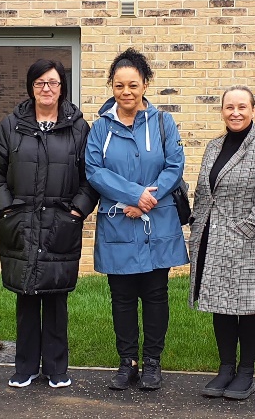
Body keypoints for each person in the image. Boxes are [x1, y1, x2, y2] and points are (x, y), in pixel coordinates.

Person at [0, 59, 98, 389]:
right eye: (39, 83)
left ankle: (56, 367)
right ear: (30, 87)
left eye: (52, 83)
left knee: (55, 298)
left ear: (62, 87)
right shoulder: (11, 126)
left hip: (60, 224)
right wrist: (5, 211)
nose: (46, 89)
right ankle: (25, 367)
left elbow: (91, 177)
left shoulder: (78, 128)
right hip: (21, 224)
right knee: (25, 297)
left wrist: (77, 211)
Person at [85, 47, 189, 391]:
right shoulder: (101, 128)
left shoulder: (163, 122)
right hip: (118, 222)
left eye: (132, 84)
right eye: (119, 86)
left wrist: (147, 200)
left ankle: (153, 363)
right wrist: (133, 195)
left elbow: (174, 165)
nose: (126, 92)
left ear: (145, 84)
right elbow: (93, 170)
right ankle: (127, 361)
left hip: (156, 221)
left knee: (156, 294)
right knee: (123, 297)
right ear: (111, 87)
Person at [188, 85, 255, 400]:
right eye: (229, 107)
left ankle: (246, 372)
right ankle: (225, 368)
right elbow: (204, 193)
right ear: (222, 111)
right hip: (214, 241)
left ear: (254, 110)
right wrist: (197, 231)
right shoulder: (214, 146)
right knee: (222, 308)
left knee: (249, 310)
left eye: (242, 106)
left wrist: (244, 229)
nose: (236, 112)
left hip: (249, 242)